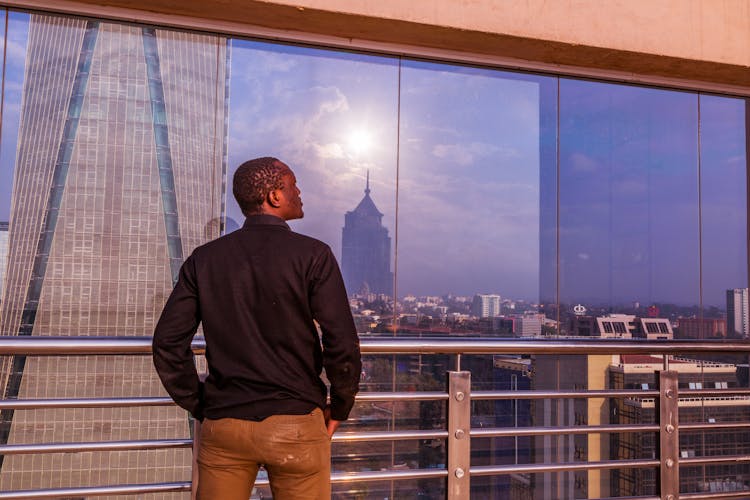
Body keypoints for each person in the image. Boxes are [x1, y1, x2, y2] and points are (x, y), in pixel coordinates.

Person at [153, 157, 361, 500]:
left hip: (225, 424)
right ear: (275, 196)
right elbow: (341, 343)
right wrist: (340, 406)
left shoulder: (203, 260)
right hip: (296, 422)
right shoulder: (314, 255)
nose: (300, 192)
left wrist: (199, 403)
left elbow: (167, 343)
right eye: (293, 184)